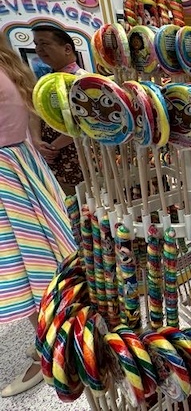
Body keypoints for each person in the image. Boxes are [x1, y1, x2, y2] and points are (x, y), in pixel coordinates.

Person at [0, 36, 77, 397]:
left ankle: (53, 351)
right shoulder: (9, 69)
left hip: (9, 177)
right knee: (41, 261)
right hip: (23, 167)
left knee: (26, 268)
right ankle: (59, 339)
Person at [30, 25, 86, 196]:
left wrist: (52, 148)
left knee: (82, 200)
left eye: (44, 43)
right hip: (52, 159)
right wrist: (37, 141)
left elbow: (84, 123)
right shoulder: (44, 81)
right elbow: (34, 112)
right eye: (36, 44)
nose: (39, 49)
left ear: (67, 49)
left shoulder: (84, 81)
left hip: (78, 158)